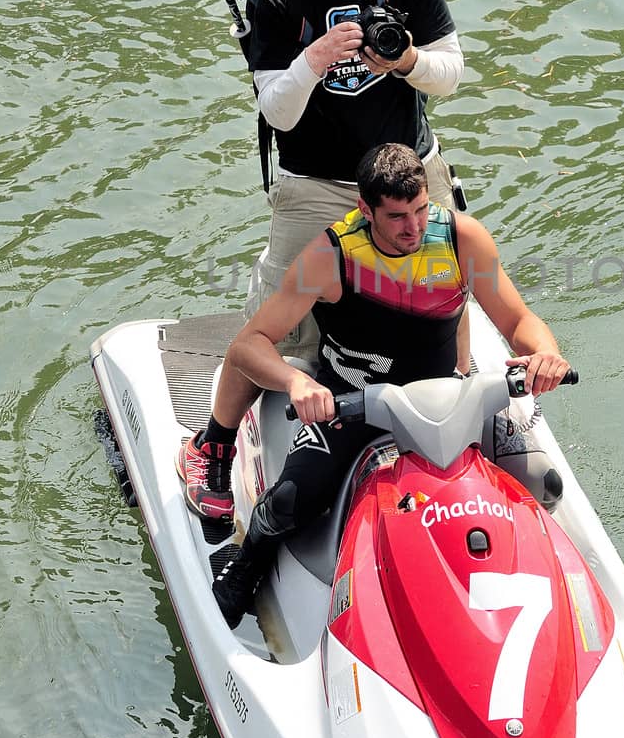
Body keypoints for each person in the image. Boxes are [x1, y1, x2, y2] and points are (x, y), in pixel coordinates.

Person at [177, 143, 571, 629]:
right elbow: (249, 344)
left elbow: (518, 319)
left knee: (541, 481)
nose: (415, 227)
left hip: (452, 397)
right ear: (366, 209)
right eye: (399, 216)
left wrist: (545, 353)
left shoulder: (462, 239)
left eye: (423, 209)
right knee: (291, 502)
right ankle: (245, 568)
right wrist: (297, 382)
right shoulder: (328, 256)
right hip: (355, 406)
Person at [244, 0, 465, 362]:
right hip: (315, 179)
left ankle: (454, 378)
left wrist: (406, 60)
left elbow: (450, 75)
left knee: (446, 280)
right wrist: (314, 60)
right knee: (288, 318)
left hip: (409, 168)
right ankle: (279, 403)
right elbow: (276, 112)